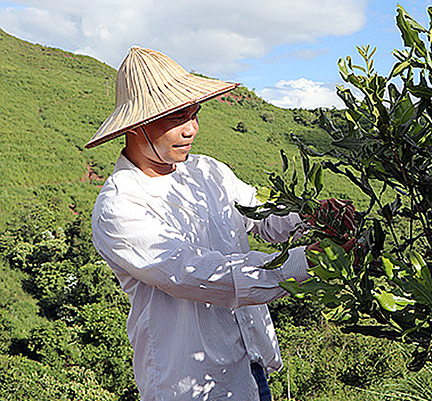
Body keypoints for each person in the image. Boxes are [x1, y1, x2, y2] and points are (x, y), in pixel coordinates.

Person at [86, 46, 347, 400]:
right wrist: (305, 263)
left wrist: (309, 214)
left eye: (193, 113)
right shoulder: (121, 207)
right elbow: (200, 274)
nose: (191, 129)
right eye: (175, 117)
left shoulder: (208, 171)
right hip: (189, 385)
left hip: (251, 365)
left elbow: (258, 216)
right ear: (136, 126)